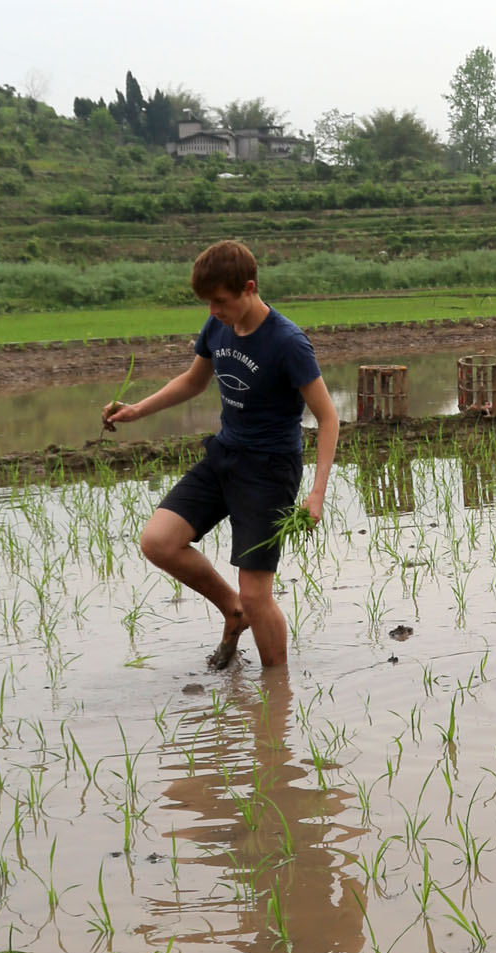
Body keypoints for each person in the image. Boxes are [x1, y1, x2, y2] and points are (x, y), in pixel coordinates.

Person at [106, 240, 338, 670]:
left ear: (249, 288)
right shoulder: (217, 327)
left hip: (269, 470)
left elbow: (327, 418)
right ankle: (232, 609)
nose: (214, 311)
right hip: (225, 454)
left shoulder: (288, 342)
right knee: (158, 542)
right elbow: (194, 382)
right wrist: (137, 409)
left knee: (258, 595)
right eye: (208, 303)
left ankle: (276, 694)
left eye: (221, 302)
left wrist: (317, 493)